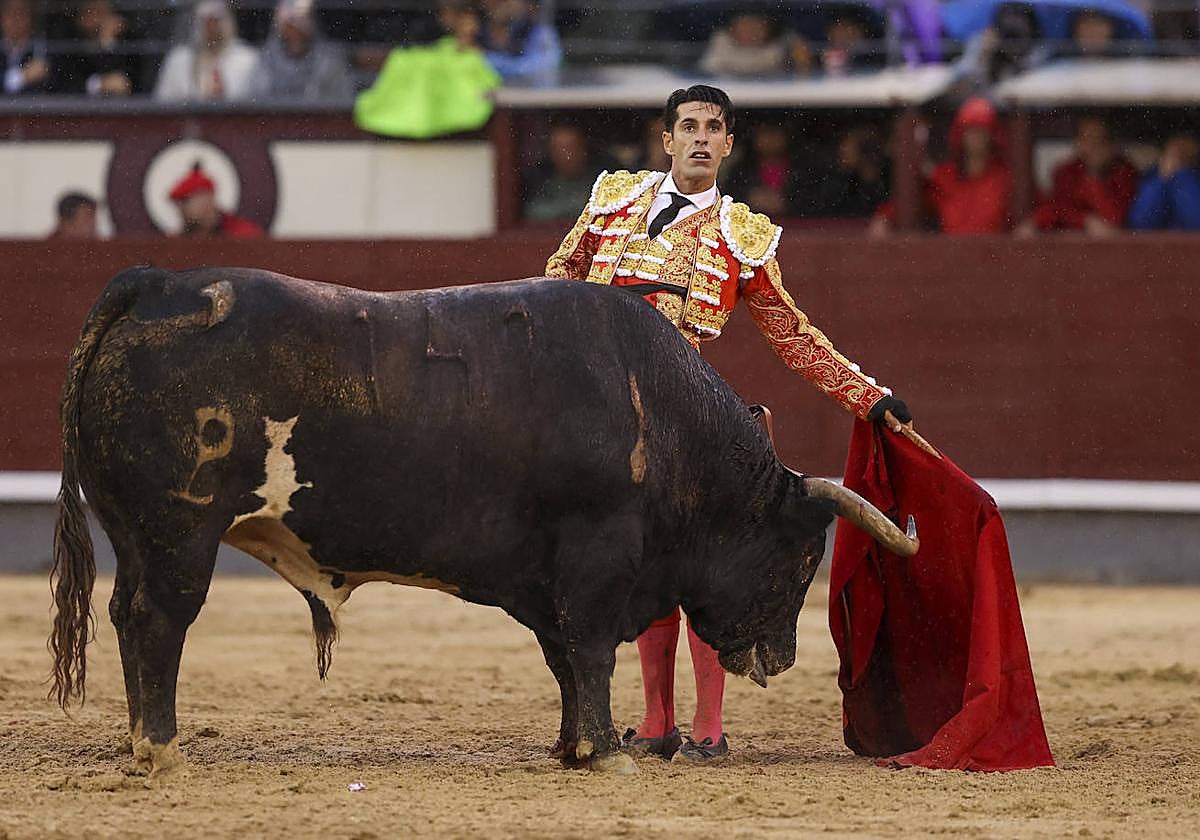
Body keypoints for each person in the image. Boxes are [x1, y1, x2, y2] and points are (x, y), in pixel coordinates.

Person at [545, 84, 913, 763]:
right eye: (689, 126)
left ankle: (708, 727)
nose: (702, 138)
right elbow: (556, 281)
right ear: (667, 139)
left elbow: (793, 335)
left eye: (715, 128)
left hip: (688, 422)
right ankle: (657, 722)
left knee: (698, 571)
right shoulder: (611, 202)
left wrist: (869, 397)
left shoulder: (741, 235)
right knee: (641, 570)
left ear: (730, 144)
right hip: (604, 423)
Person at [870, 97, 1011, 235]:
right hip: (952, 256)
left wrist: (1032, 224)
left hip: (993, 256)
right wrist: (884, 217)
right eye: (970, 130)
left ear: (993, 135)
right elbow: (910, 202)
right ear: (960, 135)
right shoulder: (945, 178)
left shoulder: (1005, 180)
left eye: (982, 130)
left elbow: (1030, 213)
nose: (976, 137)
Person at [1017, 116, 1138, 236]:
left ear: (1110, 146)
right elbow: (1055, 209)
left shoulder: (1124, 173)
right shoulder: (1066, 171)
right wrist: (1084, 221)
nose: (1090, 147)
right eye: (1085, 139)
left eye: (1097, 140)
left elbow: (1115, 221)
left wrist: (1093, 175)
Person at [154, 0, 259, 102]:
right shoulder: (178, 60)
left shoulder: (249, 59)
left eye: (216, 19)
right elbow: (163, 104)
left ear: (229, 20)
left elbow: (258, 106)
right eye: (205, 19)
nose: (211, 26)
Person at [252, 0, 353, 101]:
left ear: (313, 21)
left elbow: (341, 100)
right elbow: (257, 99)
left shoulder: (330, 62)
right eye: (288, 25)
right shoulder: (263, 60)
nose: (294, 31)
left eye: (299, 23)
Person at [794, 125, 889, 218]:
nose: (850, 150)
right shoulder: (819, 167)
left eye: (861, 147)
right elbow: (814, 206)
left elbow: (868, 211)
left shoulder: (867, 178)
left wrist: (868, 178)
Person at [50, 0, 136, 96]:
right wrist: (99, 84)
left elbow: (124, 82)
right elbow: (63, 84)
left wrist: (108, 42)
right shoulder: (67, 42)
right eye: (89, 12)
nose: (94, 19)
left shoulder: (127, 41)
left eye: (100, 13)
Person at [167, 163, 263, 238]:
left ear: (207, 198)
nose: (181, 209)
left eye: (185, 201)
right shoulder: (178, 243)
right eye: (178, 204)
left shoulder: (243, 235)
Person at [722, 122, 798, 217]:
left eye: (774, 133)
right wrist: (749, 199)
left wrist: (786, 202)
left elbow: (812, 200)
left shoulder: (801, 167)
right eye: (765, 133)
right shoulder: (742, 168)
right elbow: (729, 198)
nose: (770, 139)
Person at [1128, 132, 1200, 231]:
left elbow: (1196, 221)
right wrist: (1162, 178)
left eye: (1186, 155)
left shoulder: (1190, 179)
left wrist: (1184, 175)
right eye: (1176, 154)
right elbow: (1141, 224)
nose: (1178, 159)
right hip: (1156, 243)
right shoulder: (1151, 177)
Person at [480, 0, 560, 85]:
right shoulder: (479, 32)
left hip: (534, 95)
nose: (503, 6)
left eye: (506, 2)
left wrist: (492, 61)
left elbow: (541, 66)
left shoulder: (542, 33)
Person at [525, 124, 595, 222]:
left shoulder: (598, 182)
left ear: (583, 149)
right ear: (551, 153)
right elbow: (534, 211)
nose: (566, 155)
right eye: (559, 149)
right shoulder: (543, 184)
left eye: (571, 147)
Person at [698, 9, 790, 77]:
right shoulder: (721, 44)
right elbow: (708, 70)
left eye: (756, 28)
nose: (750, 33)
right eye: (744, 27)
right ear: (733, 29)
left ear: (767, 30)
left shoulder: (775, 50)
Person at [1, 0, 49, 95]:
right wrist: (21, 77)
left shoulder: (43, 49)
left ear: (30, 17)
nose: (16, 19)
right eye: (10, 13)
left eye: (21, 13)